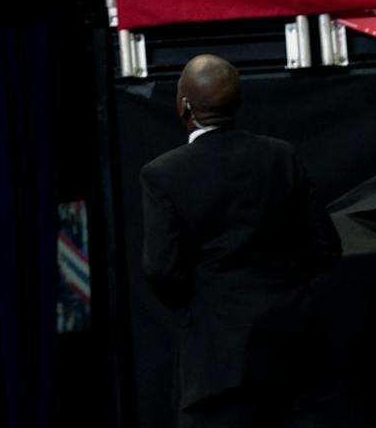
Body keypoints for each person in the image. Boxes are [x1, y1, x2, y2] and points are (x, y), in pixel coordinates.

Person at [142, 55, 340, 428]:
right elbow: (326, 248)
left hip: (217, 367)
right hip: (297, 356)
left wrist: (202, 305)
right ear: (239, 102)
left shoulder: (163, 174)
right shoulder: (281, 156)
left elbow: (161, 269)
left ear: (184, 105)